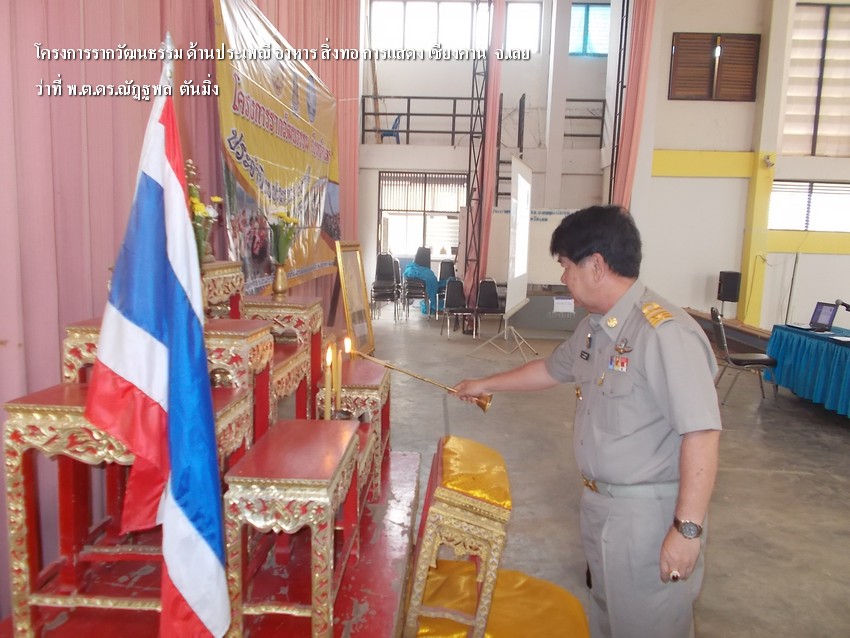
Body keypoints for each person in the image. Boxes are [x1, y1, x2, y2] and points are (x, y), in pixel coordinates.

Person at [454, 205, 721, 638]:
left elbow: (702, 432)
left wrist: (686, 530)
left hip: (647, 518)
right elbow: (551, 369)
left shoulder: (664, 333)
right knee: (607, 618)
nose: (563, 277)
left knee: (649, 627)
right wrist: (485, 384)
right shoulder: (598, 328)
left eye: (565, 265)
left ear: (595, 265)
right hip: (600, 506)